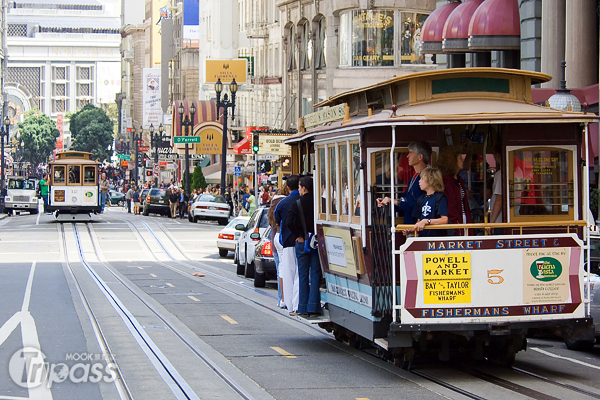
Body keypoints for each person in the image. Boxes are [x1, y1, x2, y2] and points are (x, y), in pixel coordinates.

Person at [286, 176, 322, 317]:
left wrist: (298, 235)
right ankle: (313, 307)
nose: (299, 189)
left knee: (302, 275)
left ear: (304, 188)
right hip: (316, 242)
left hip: (302, 242)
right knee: (315, 274)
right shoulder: (321, 203)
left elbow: (289, 222)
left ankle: (302, 308)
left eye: (300, 187)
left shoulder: (297, 204)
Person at [377, 141, 432, 224]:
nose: (407, 156)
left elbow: (418, 206)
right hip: (410, 226)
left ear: (420, 157)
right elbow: (405, 201)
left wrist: (394, 201)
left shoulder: (427, 179)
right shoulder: (414, 177)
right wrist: (387, 202)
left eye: (411, 153)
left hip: (418, 227)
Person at [274, 175, 301, 315]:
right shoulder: (303, 200)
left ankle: (290, 305)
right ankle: (298, 304)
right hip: (304, 241)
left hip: (288, 241)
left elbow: (276, 218)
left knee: (288, 273)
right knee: (300, 274)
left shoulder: (283, 203)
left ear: (288, 187)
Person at [438, 144, 472, 235]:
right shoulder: (447, 181)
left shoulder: (459, 180)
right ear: (452, 161)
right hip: (455, 222)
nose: (463, 160)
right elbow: (451, 206)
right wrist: (456, 226)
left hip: (463, 218)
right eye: (460, 158)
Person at [403, 167, 449, 237]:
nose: (419, 181)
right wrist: (411, 230)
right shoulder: (421, 199)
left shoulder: (440, 198)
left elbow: (444, 220)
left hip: (437, 240)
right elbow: (419, 221)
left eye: (422, 179)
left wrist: (427, 221)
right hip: (423, 238)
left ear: (431, 180)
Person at [268, 182, 289, 309]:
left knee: (279, 270)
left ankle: (281, 298)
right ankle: (285, 298)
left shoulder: (273, 203)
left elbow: (271, 223)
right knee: (288, 270)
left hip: (274, 241)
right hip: (284, 241)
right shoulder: (285, 203)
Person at [489, 144, 503, 234]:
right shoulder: (519, 171)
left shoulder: (500, 175)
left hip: (499, 220)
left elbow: (499, 199)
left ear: (497, 155)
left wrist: (491, 223)